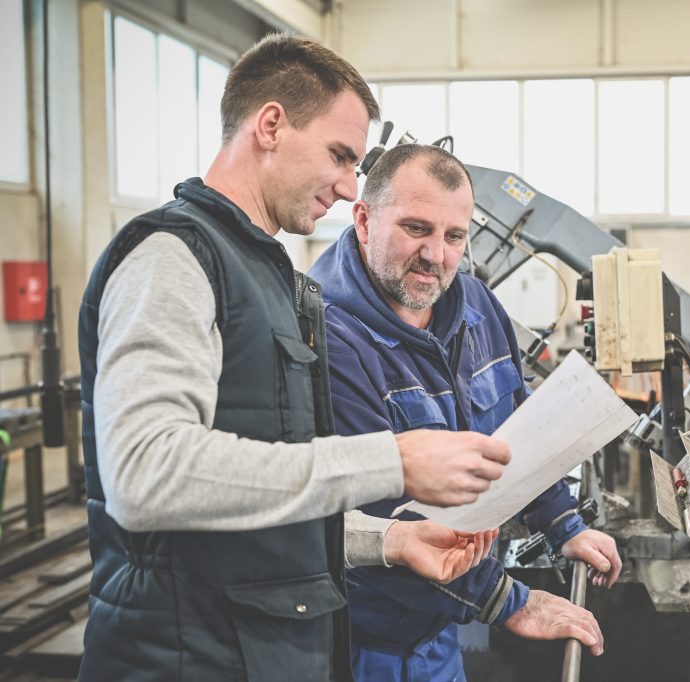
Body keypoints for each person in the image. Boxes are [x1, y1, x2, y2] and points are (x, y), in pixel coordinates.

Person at [77, 35, 509, 682]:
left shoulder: (268, 277)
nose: (347, 185)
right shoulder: (173, 260)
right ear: (271, 125)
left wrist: (386, 540)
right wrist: (393, 461)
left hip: (258, 651)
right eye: (339, 156)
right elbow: (146, 474)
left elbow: (254, 505)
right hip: (184, 658)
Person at [309, 144, 623, 681]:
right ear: (363, 219)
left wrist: (562, 523)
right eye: (416, 228)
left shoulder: (476, 305)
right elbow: (380, 518)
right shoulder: (330, 338)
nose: (436, 255)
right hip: (363, 644)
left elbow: (519, 428)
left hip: (437, 636)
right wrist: (510, 602)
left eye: (454, 236)